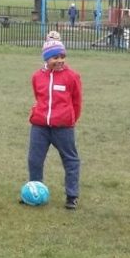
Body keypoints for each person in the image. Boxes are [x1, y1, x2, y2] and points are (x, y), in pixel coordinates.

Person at [25, 40, 82, 210]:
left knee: (70, 160)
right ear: (46, 58)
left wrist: (69, 119)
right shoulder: (37, 76)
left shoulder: (72, 76)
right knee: (34, 160)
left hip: (63, 127)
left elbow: (77, 102)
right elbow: (38, 97)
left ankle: (72, 196)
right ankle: (34, 192)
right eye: (55, 57)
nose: (59, 61)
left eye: (62, 57)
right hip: (40, 126)